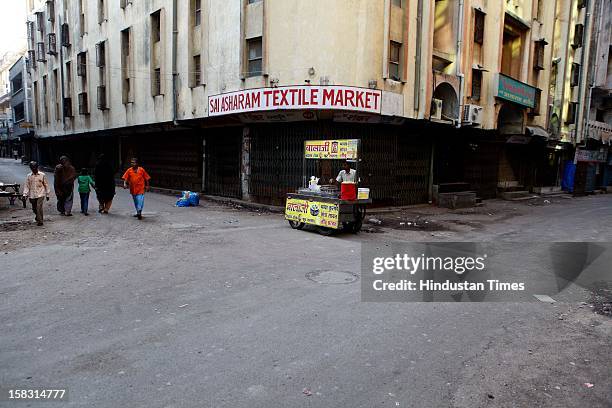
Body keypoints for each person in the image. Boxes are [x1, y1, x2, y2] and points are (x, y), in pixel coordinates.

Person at [22, 161, 50, 226]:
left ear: (37, 167)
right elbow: (27, 186)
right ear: (30, 168)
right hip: (32, 195)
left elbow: (46, 185)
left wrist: (47, 194)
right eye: (32, 167)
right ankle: (38, 216)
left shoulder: (42, 175)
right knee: (34, 208)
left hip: (41, 194)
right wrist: (24, 194)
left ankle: (40, 221)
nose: (33, 169)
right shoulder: (29, 176)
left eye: (35, 167)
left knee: (39, 207)